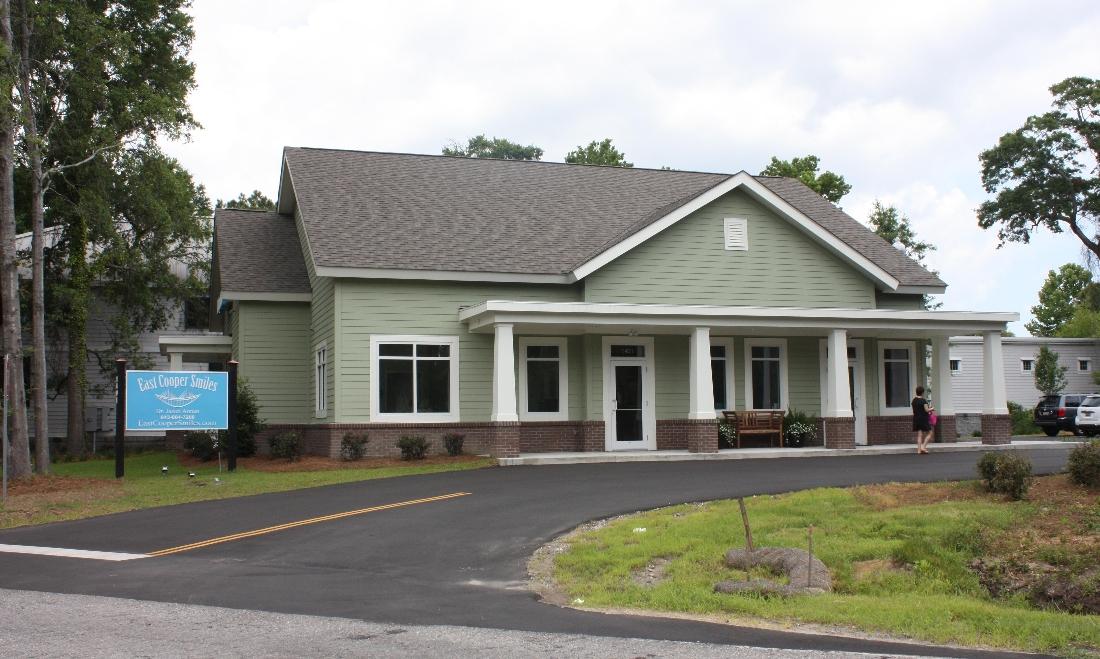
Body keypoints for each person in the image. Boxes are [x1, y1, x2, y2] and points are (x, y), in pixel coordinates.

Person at [912, 385, 935, 454]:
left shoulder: (914, 400)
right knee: (930, 433)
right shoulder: (923, 400)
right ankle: (923, 447)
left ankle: (919, 451)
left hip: (916, 419)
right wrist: (932, 409)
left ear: (916, 392)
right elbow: (926, 410)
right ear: (922, 392)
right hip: (923, 419)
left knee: (919, 435)